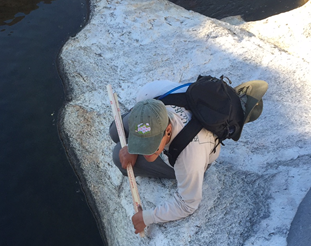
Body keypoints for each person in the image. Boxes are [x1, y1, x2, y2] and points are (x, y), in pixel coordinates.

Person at [110, 79, 268, 235]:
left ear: (168, 130)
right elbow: (143, 122)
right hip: (168, 127)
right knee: (114, 131)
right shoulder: (152, 94)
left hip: (189, 150)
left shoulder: (189, 157)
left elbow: (188, 204)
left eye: (150, 147)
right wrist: (134, 146)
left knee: (118, 157)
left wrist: (148, 217)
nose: (145, 152)